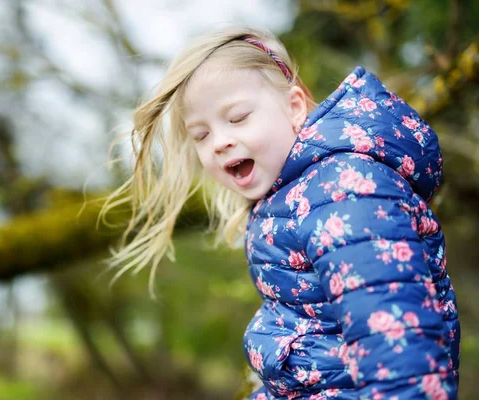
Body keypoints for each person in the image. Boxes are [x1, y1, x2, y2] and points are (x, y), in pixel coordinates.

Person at [100, 26, 460, 399]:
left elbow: (397, 340)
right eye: (201, 135)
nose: (220, 141)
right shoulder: (291, 199)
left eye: (237, 117)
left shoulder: (343, 190)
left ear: (294, 107)